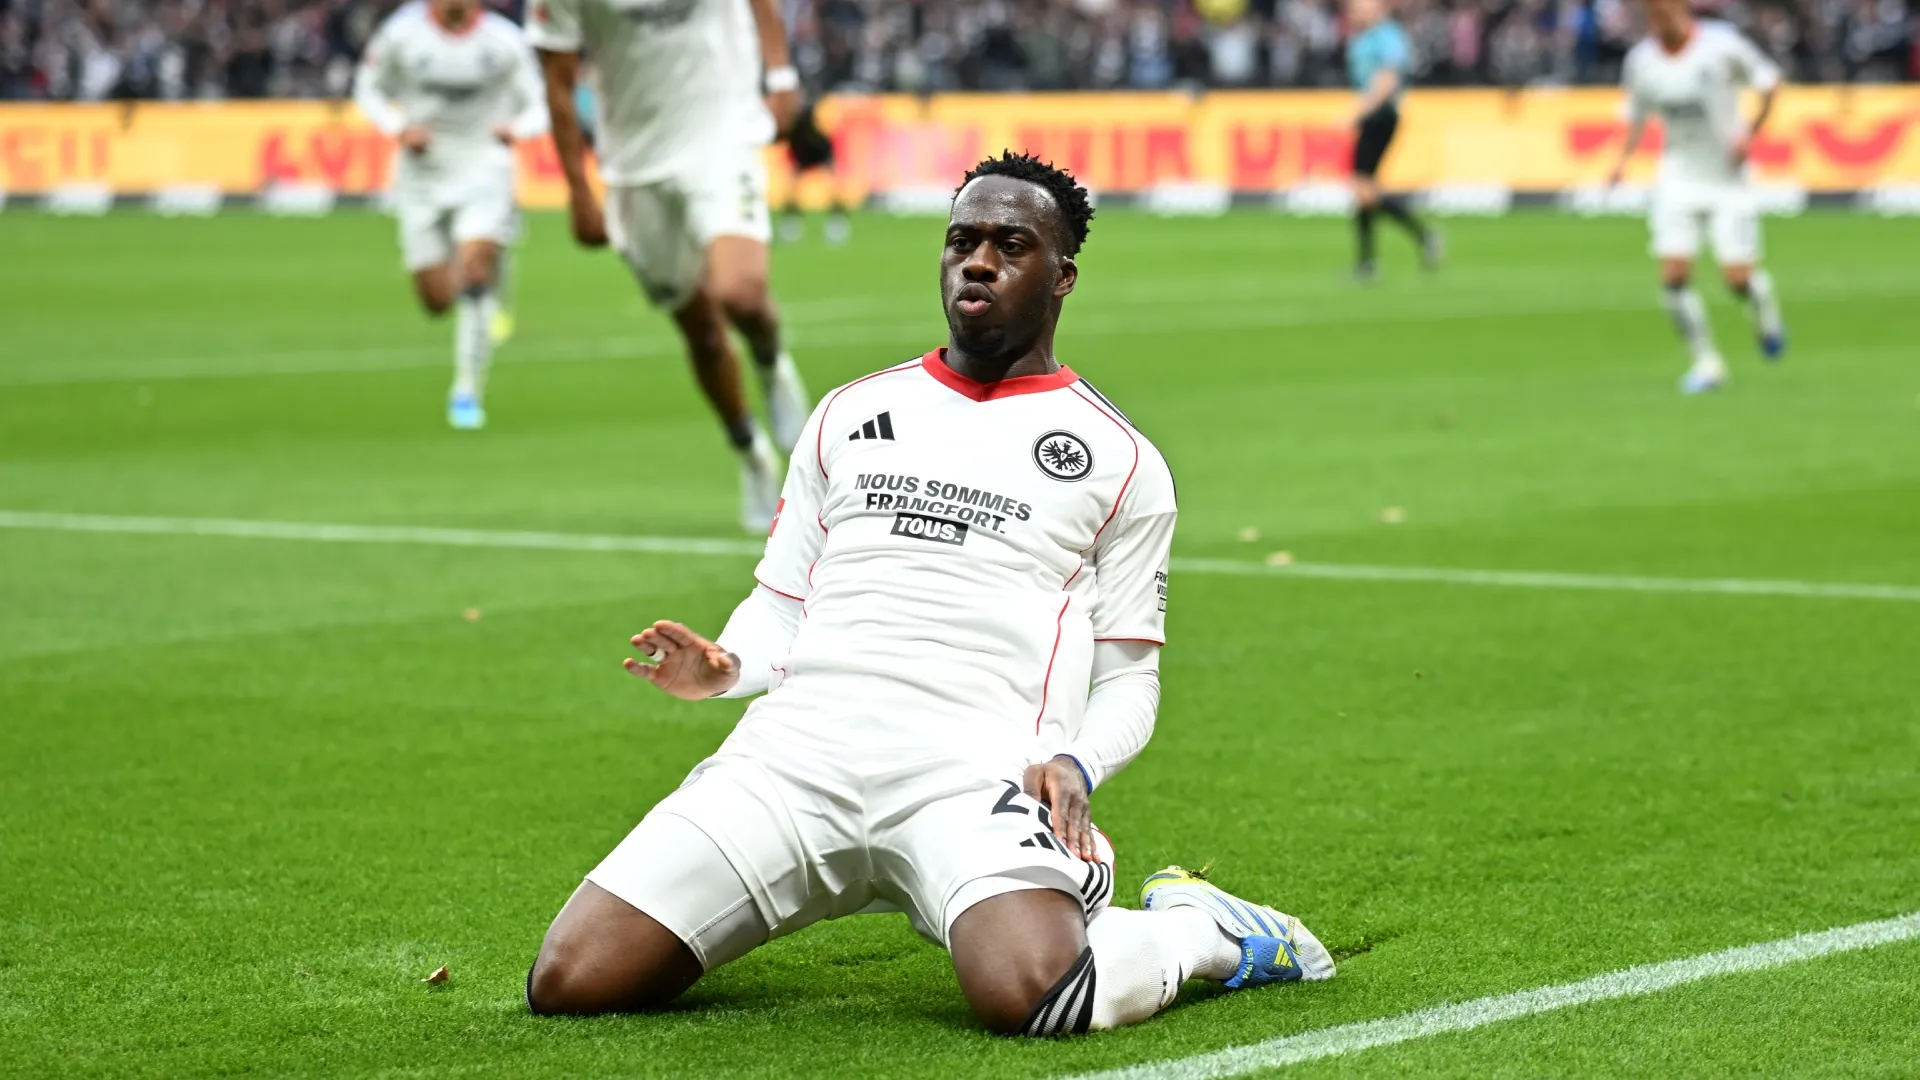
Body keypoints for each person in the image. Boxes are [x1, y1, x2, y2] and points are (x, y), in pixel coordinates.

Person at [524, 152, 1335, 1036]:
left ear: (1062, 277)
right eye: (962, 241)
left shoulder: (1120, 460)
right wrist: (726, 666)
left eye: (1010, 245)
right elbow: (782, 606)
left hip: (970, 774)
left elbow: (1132, 679)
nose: (977, 261)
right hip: (794, 762)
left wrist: (1077, 765)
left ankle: (1198, 929)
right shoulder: (848, 413)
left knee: (1039, 996)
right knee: (571, 980)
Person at [528, 0, 812, 533]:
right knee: (702, 333)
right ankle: (750, 451)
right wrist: (578, 190)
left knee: (742, 294)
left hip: (723, 138)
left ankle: (772, 365)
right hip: (636, 167)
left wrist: (781, 75)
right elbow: (557, 84)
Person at [352, 0, 548, 431]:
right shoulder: (401, 35)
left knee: (475, 269)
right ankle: (494, 265)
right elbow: (368, 89)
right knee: (437, 300)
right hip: (422, 173)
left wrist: (519, 129)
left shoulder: (503, 41)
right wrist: (398, 128)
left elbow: (540, 102)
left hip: (484, 165)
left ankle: (466, 391)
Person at [1608, 0, 1787, 394]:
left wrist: (1750, 133)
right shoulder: (1642, 61)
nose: (1660, 19)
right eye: (1652, 14)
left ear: (1682, 9)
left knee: (1737, 279)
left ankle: (1763, 309)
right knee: (1673, 275)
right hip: (1677, 177)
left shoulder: (1721, 45)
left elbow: (1770, 81)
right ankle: (1707, 362)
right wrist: (1621, 162)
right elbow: (1635, 116)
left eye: (1666, 10)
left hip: (1727, 179)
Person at [1344, 0, 1441, 282]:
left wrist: (1358, 112)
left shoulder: (1388, 37)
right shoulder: (1364, 36)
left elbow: (1387, 83)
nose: (1354, 11)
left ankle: (1423, 236)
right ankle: (1367, 262)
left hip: (1382, 116)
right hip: (1371, 117)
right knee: (1363, 188)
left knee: (1364, 188)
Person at [777, 101, 851, 245]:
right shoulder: (797, 129)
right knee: (793, 191)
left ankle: (837, 221)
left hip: (819, 156)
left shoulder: (815, 129)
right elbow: (791, 147)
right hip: (803, 158)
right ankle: (791, 221)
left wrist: (829, 162)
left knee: (833, 190)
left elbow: (825, 145)